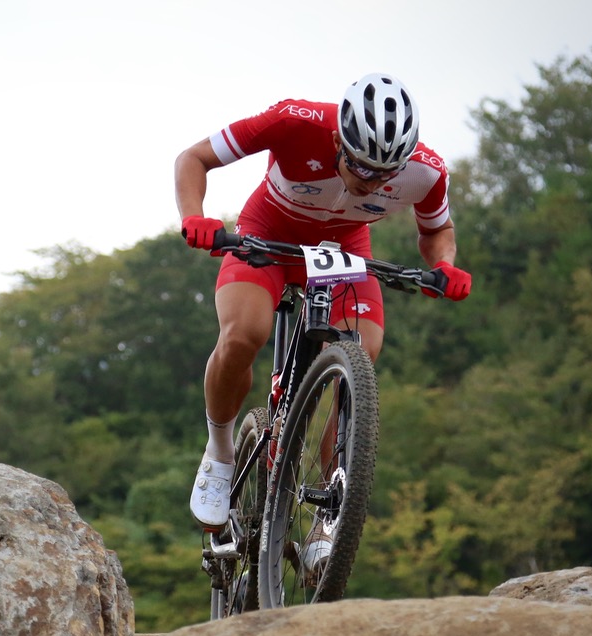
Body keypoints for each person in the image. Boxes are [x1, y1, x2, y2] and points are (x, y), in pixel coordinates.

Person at [176, 73, 472, 546]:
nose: (370, 181)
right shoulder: (294, 120)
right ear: (338, 138)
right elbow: (194, 158)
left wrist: (445, 265)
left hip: (344, 255)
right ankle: (220, 450)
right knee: (243, 334)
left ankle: (328, 510)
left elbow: (438, 229)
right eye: (361, 167)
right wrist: (195, 215)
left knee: (360, 356)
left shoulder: (427, 170)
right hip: (266, 238)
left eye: (384, 173)